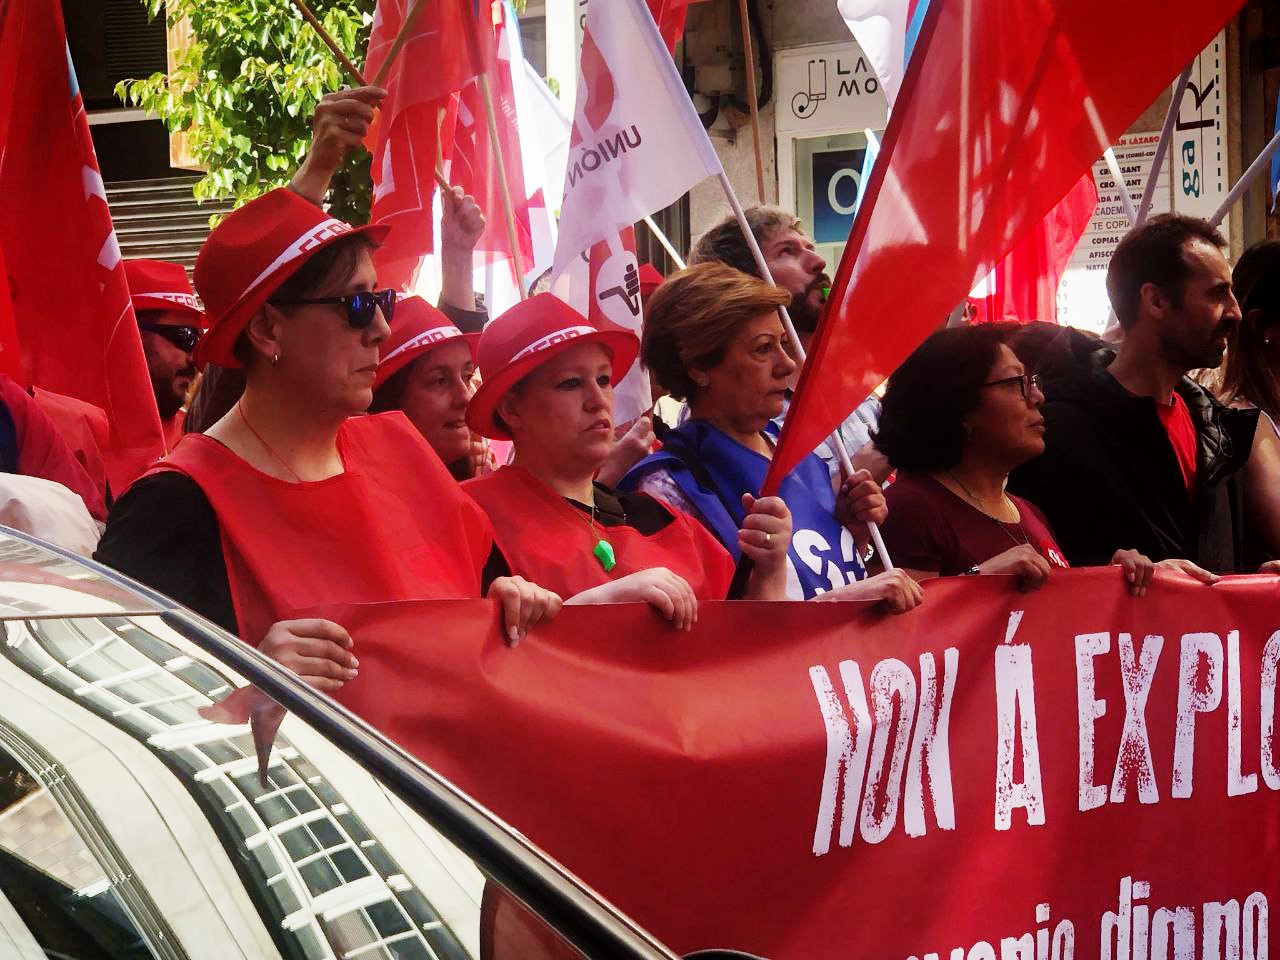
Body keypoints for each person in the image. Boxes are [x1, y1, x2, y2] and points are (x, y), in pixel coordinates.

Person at [96, 187, 562, 698]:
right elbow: (113, 703)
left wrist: (514, 601)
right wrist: (246, 685)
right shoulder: (173, 506)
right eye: (357, 305)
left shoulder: (402, 450)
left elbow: (482, 604)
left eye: (381, 300)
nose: (382, 328)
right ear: (268, 329)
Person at [462, 293, 792, 622]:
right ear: (511, 408)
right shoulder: (468, 516)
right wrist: (590, 607)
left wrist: (770, 569)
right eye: (570, 383)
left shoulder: (667, 519)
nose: (598, 400)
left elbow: (748, 651)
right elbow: (455, 656)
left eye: (603, 379)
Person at [620, 262, 921, 610]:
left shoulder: (792, 447)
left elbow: (818, 573)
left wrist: (852, 529)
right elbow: (705, 640)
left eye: (783, 342)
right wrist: (843, 601)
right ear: (699, 367)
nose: (787, 364)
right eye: (763, 349)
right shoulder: (667, 486)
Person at [876, 324, 1212, 593]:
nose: (1037, 396)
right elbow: (901, 640)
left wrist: (1112, 579)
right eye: (1016, 384)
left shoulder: (1028, 511)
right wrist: (979, 579)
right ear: (958, 407)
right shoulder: (911, 508)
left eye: (1032, 382)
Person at [1009, 214, 1257, 572]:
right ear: (1155, 301)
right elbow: (1047, 576)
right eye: (1218, 293)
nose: (1235, 312)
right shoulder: (1062, 435)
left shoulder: (1216, 427)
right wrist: (1111, 574)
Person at [690, 206, 888, 483]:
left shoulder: (849, 387)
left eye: (810, 248)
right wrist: (878, 456)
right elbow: (762, 509)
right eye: (787, 251)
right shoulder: (735, 408)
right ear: (744, 283)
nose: (818, 261)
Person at [369, 295, 484, 480]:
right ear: (389, 401)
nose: (466, 397)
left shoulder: (482, 489)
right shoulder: (368, 502)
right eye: (440, 381)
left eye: (467, 376)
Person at [123, 258, 205, 450]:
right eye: (185, 337)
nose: (195, 359)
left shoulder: (198, 439)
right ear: (130, 334)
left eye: (200, 343)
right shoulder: (71, 434)